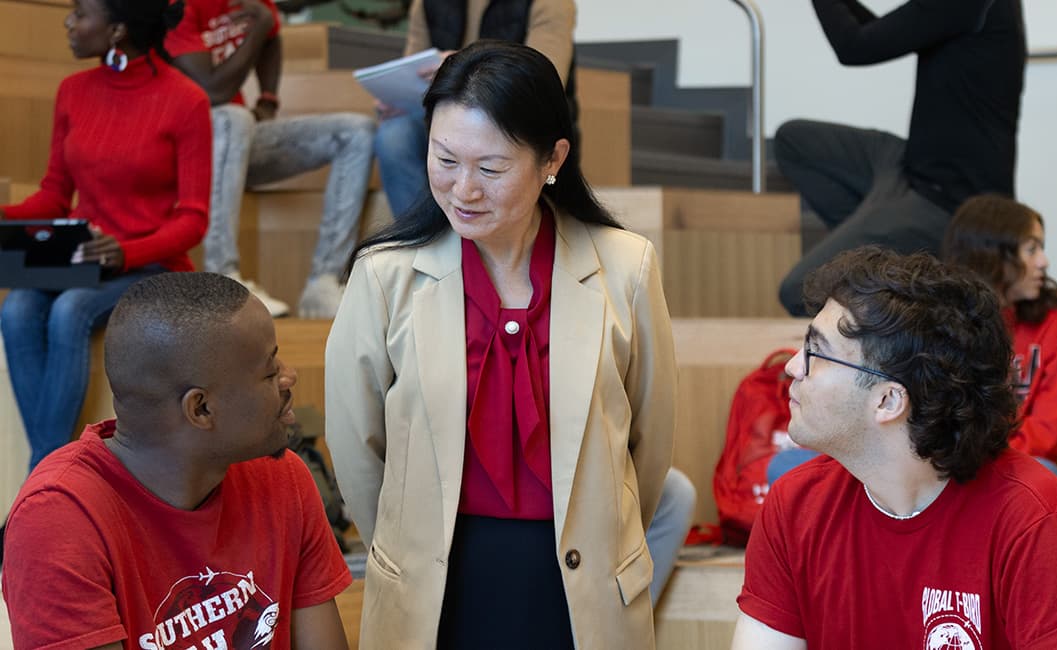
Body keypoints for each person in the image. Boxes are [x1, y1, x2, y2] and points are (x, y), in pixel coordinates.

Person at [325, 41, 675, 648]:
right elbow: (358, 448)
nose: (464, 189)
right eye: (444, 159)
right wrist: (406, 542)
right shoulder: (385, 275)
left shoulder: (626, 266)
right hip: (436, 586)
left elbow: (648, 440)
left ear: (552, 159)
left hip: (583, 585)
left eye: (491, 168)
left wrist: (605, 537)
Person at [732, 247, 1057, 649]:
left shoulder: (1033, 521)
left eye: (817, 353)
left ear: (889, 401)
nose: (793, 366)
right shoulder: (795, 506)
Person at [1, 272, 353, 650]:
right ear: (200, 409)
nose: (290, 376)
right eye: (270, 371)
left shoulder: (282, 475)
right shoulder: (58, 519)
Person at [0, 0, 210, 471]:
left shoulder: (186, 100)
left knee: (70, 309)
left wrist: (126, 251)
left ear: (116, 29)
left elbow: (193, 219)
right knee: (15, 308)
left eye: (80, 13)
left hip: (150, 264)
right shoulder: (73, 90)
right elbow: (55, 194)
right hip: (80, 259)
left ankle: (43, 474)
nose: (68, 22)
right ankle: (54, 472)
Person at [775, 0, 1026, 317]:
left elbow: (853, 46)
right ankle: (879, 254)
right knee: (794, 142)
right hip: (908, 165)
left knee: (796, 290)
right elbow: (873, 33)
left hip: (948, 202)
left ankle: (884, 264)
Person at [166, 0, 375, 318]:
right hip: (179, 151)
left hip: (234, 146)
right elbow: (212, 91)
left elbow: (272, 37)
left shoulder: (255, 3)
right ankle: (222, 279)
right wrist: (259, 26)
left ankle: (324, 282)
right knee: (234, 117)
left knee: (356, 131)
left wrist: (268, 99)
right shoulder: (180, 6)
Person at [374, 0, 577, 219]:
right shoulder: (425, 4)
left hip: (514, 117)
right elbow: (414, 69)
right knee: (393, 134)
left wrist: (458, 67)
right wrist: (400, 97)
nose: (464, 191)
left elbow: (544, 84)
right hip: (448, 117)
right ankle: (418, 238)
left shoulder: (551, 3)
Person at [943, 194, 1057, 482]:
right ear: (993, 257)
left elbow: (1044, 435)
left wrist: (979, 467)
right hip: (944, 465)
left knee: (1049, 474)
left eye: (1041, 248)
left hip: (1013, 468)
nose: (1043, 262)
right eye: (1031, 249)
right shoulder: (940, 320)